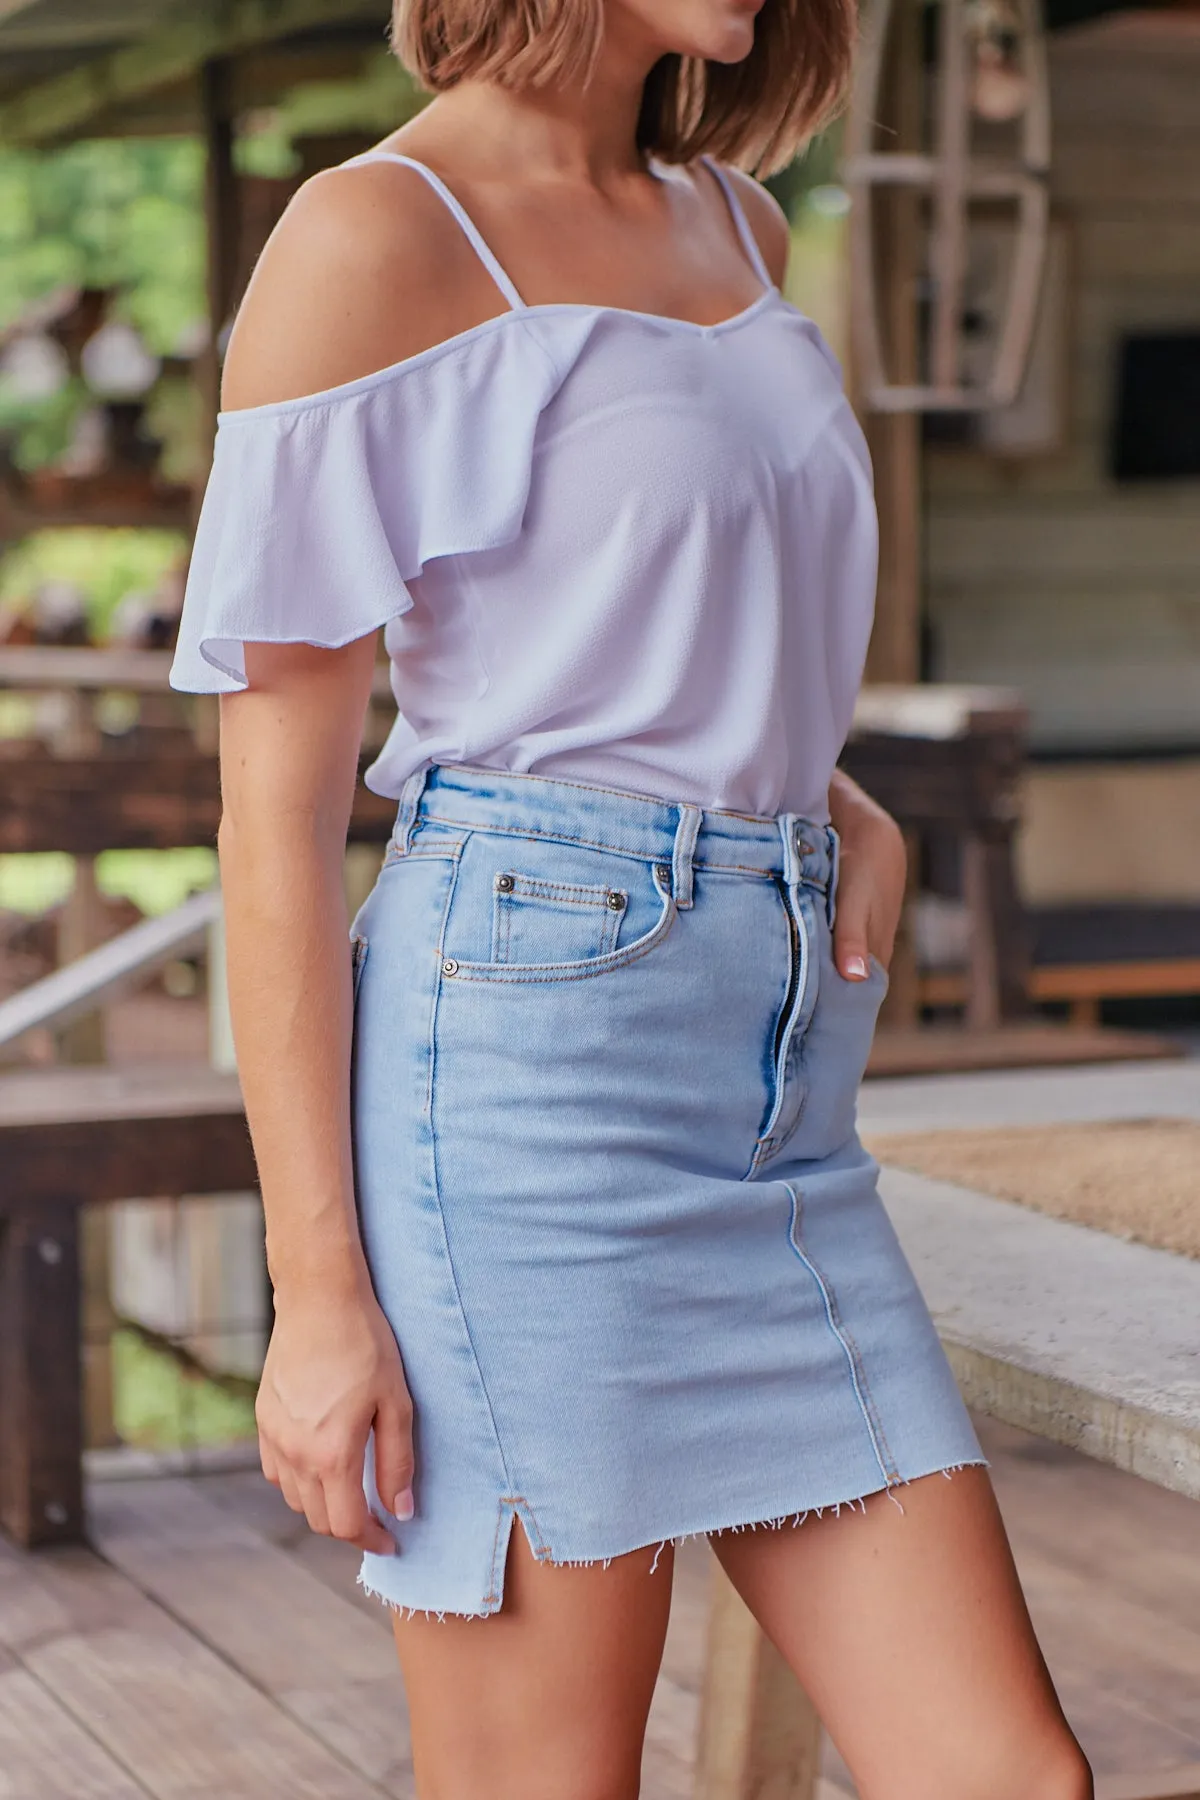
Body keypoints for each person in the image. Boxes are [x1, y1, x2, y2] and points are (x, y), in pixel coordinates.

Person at [169, 3, 1093, 1796]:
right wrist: (317, 1296)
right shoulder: (378, 236)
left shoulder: (732, 215)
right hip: (529, 1078)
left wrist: (824, 794)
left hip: (781, 1105)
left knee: (1003, 1774)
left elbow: (638, 611)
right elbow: (270, 823)